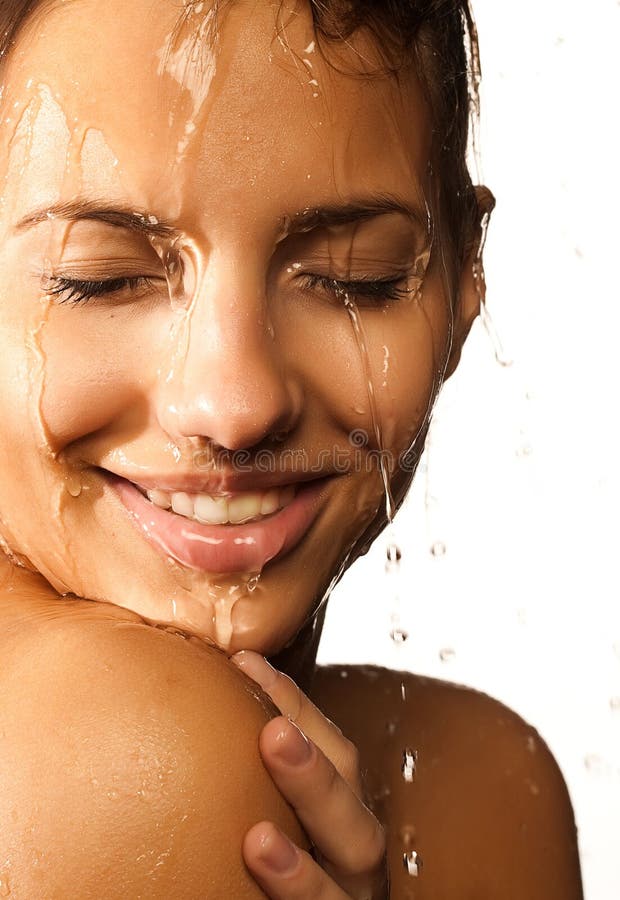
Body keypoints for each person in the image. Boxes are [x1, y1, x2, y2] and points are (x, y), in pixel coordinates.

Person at [0, 0, 584, 897]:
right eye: (101, 281)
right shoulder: (118, 757)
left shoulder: (487, 783)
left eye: (355, 278)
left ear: (467, 275)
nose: (235, 406)